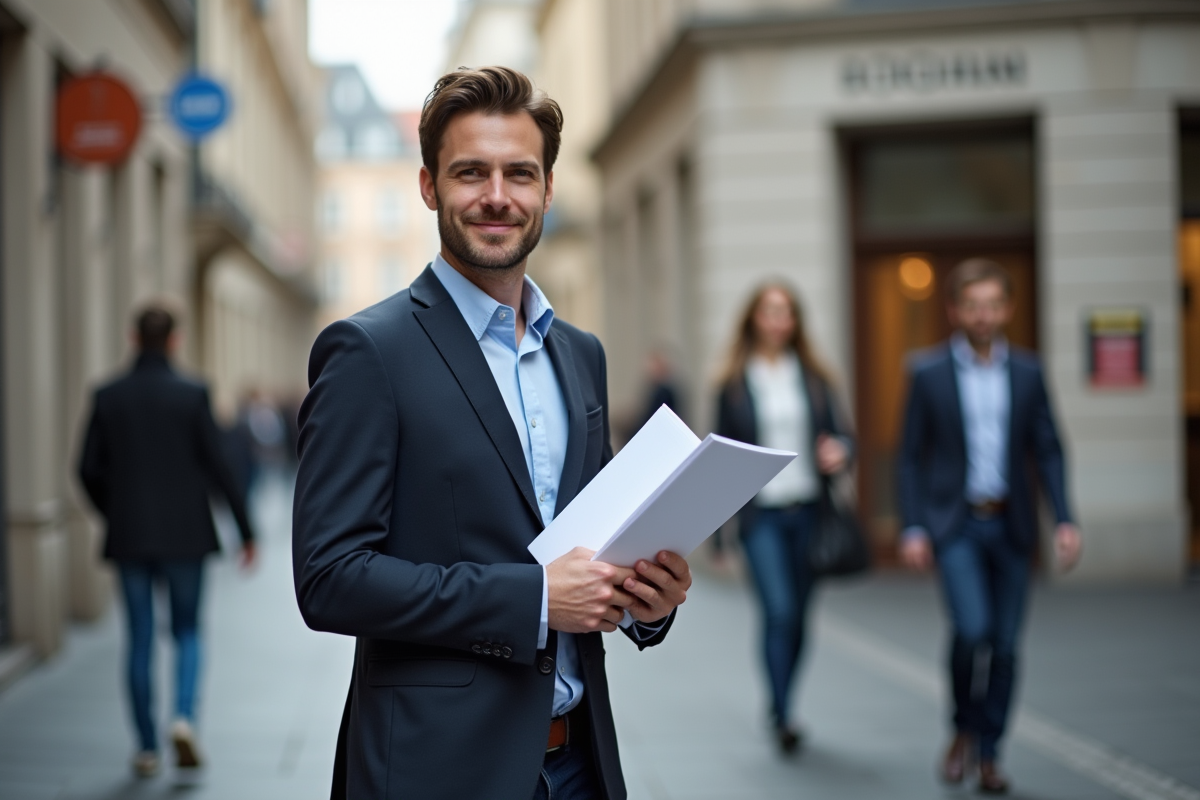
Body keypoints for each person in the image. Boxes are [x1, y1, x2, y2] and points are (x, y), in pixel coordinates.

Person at [292, 66, 692, 800]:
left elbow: (596, 541)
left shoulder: (580, 354)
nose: (498, 196)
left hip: (579, 766)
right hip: (437, 770)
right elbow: (329, 578)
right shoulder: (368, 351)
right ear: (428, 186)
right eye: (471, 172)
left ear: (548, 189)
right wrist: (534, 598)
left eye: (520, 173)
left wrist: (648, 600)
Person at [897, 259, 1082, 794]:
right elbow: (909, 456)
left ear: (1008, 309)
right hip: (955, 524)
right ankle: (963, 726)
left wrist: (1064, 518)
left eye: (993, 305)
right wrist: (913, 527)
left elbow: (1048, 448)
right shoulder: (927, 372)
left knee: (1004, 645)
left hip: (1012, 523)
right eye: (973, 305)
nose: (983, 315)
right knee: (972, 630)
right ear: (955, 310)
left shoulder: (1028, 372)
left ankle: (990, 752)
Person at [78, 304, 257, 778]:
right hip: (186, 536)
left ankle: (145, 747)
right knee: (187, 631)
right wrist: (246, 531)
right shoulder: (193, 393)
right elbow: (221, 466)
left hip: (130, 536)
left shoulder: (108, 396)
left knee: (138, 639)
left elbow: (87, 469)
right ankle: (183, 717)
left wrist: (116, 512)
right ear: (175, 340)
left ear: (133, 338)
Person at [715, 283, 854, 754]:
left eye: (786, 313)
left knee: (800, 617)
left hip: (810, 511)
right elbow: (719, 459)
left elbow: (843, 436)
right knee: (780, 611)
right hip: (762, 517)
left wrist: (841, 451)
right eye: (770, 312)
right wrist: (718, 538)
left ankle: (785, 700)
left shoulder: (814, 378)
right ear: (753, 319)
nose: (778, 321)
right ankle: (781, 711)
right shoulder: (734, 382)